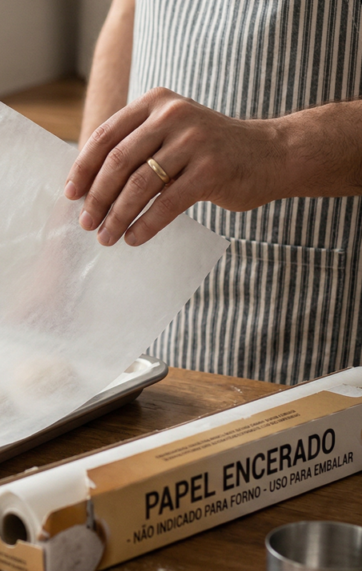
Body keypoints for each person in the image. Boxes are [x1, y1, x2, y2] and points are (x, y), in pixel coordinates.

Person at [69, 0, 362, 385]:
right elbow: (130, 11)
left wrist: (275, 149)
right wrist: (71, 238)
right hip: (135, 300)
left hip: (307, 318)